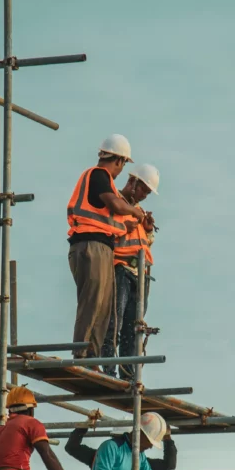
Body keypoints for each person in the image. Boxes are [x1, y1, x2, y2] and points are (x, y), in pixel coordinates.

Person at [67, 134, 146, 361]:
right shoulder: (99, 175)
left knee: (103, 307)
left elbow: (111, 218)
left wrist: (133, 222)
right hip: (90, 245)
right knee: (92, 302)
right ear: (120, 160)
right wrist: (134, 211)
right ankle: (81, 354)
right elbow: (115, 204)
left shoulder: (103, 183)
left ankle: (93, 355)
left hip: (99, 246)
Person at [101, 164, 160, 380]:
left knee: (133, 329)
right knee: (113, 321)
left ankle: (127, 375)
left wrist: (148, 230)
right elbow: (108, 231)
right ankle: (108, 369)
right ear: (132, 182)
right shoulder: (114, 201)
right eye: (143, 189)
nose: (144, 195)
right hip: (120, 268)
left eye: (147, 191)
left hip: (140, 274)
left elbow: (144, 243)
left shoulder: (139, 212)